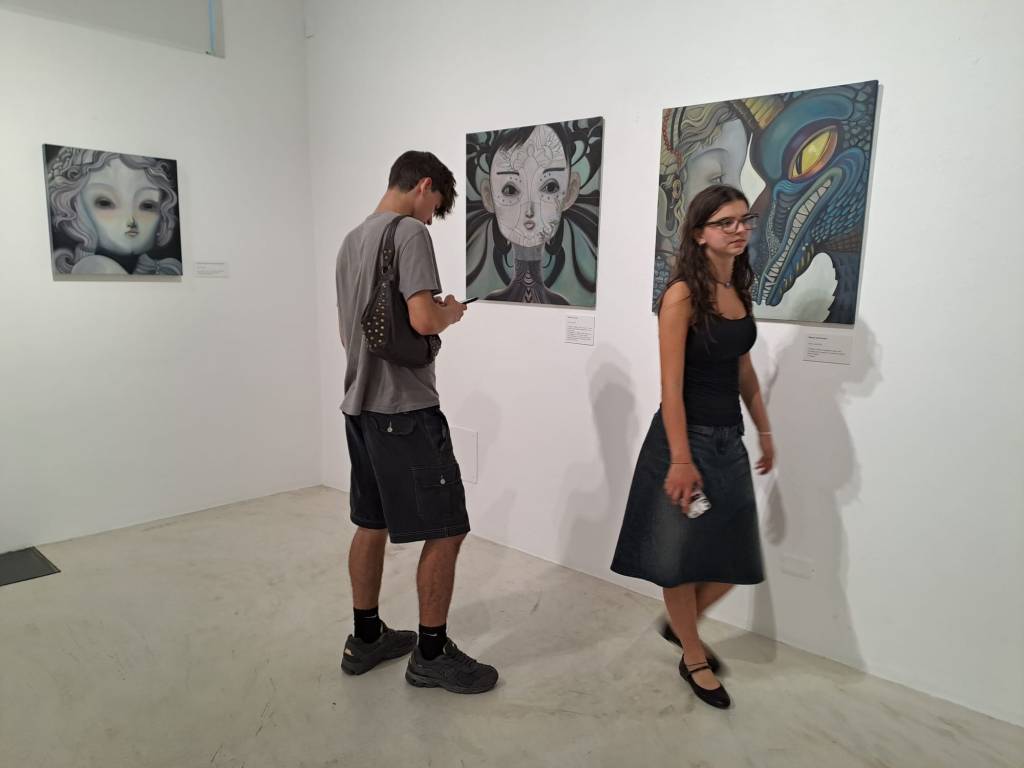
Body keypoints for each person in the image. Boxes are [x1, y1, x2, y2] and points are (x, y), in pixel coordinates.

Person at [335, 150, 498, 694]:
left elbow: (349, 331)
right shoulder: (408, 233)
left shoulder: (350, 240)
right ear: (424, 185)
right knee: (448, 528)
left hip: (359, 407)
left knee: (371, 522)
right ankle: (430, 653)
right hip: (404, 409)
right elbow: (423, 319)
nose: (432, 218)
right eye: (436, 206)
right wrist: (451, 311)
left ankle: (366, 637)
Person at [611, 184, 774, 709]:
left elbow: (743, 370)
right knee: (677, 556)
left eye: (744, 220)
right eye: (726, 222)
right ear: (700, 233)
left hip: (728, 439)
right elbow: (671, 386)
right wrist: (680, 459)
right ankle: (693, 655)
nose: (739, 229)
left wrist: (765, 430)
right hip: (684, 440)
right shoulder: (681, 295)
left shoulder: (737, 289)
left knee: (735, 557)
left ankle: (682, 626)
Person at [45, 146, 181, 276]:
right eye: (105, 203)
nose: (131, 221)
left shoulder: (167, 270)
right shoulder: (91, 268)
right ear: (75, 207)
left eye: (147, 205)